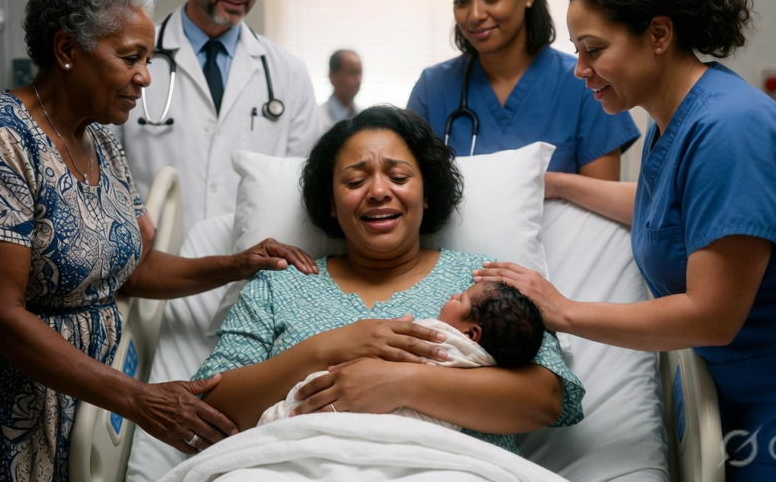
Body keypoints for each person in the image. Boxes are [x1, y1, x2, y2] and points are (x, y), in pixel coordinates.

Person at [0, 0, 318, 482]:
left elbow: (131, 271)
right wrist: (140, 399)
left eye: (147, 58)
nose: (144, 75)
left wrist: (238, 264)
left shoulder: (101, 144)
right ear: (67, 50)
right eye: (130, 58)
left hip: (83, 397)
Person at [474, 0, 776, 480]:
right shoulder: (673, 119)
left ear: (658, 35)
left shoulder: (730, 130)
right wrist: (560, 184)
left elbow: (711, 314)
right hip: (757, 389)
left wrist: (561, 310)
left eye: (593, 50)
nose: (580, 69)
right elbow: (668, 210)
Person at [192, 106, 583, 456]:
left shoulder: (483, 279)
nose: (379, 191)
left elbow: (544, 399)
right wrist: (325, 348)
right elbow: (207, 410)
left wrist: (402, 382)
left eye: (397, 176)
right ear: (331, 202)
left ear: (426, 193)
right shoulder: (279, 285)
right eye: (354, 181)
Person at [116, 0, 322, 237]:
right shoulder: (128, 58)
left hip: (251, 272)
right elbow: (98, 166)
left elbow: (303, 186)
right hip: (155, 270)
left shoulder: (288, 74)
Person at [406, 0, 639, 176]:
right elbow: (408, 188)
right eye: (461, 1)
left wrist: (548, 185)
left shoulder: (587, 82)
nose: (474, 15)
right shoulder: (433, 89)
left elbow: (601, 205)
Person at [258, 281, 546, 429]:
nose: (451, 297)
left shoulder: (435, 335)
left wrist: (400, 378)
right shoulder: (487, 366)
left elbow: (545, 401)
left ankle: (277, 423)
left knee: (295, 412)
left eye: (460, 299)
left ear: (471, 335)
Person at [319, 49, 363, 129]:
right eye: (352, 73)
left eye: (360, 73)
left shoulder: (363, 117)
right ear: (332, 76)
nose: (358, 81)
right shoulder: (317, 117)